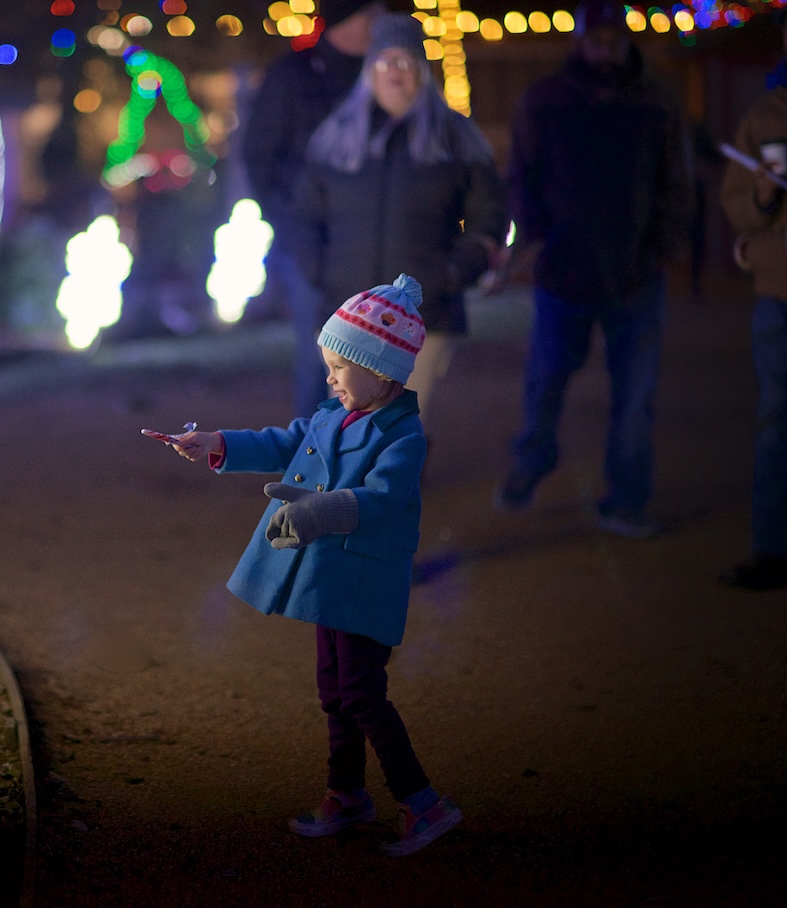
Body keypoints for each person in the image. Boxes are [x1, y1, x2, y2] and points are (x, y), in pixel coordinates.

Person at [157, 274, 462, 856]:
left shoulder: (404, 438)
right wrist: (217, 442)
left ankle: (424, 803)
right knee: (336, 690)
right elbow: (284, 442)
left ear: (381, 371)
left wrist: (320, 513)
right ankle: (346, 793)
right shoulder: (334, 414)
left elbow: (380, 499)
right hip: (331, 580)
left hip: (364, 583)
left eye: (339, 368)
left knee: (363, 693)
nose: (329, 378)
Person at [494, 0, 693, 538]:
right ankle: (533, 460)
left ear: (625, 41)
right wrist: (537, 236)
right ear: (580, 40)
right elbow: (522, 176)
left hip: (636, 274)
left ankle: (625, 501)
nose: (604, 49)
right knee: (547, 380)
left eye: (613, 38)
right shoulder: (547, 100)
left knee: (635, 397)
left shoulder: (655, 100)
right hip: (564, 271)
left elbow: (676, 176)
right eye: (595, 39)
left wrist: (663, 246)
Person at [293, 12, 507, 430]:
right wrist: (317, 270)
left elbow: (490, 216)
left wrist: (451, 273)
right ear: (369, 69)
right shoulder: (335, 137)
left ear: (423, 71)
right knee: (345, 434)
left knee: (395, 432)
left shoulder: (455, 138)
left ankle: (395, 492)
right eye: (385, 61)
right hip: (347, 316)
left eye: (407, 61)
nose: (396, 72)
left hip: (420, 317)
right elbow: (303, 216)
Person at [718, 0, 787, 591]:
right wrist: (761, 198)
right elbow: (735, 203)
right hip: (783, 295)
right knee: (776, 425)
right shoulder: (766, 114)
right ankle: (772, 552)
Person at [242, 0, 387, 418]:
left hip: (371, 238)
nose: (379, 24)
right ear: (347, 18)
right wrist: (288, 219)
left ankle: (360, 459)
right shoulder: (292, 76)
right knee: (324, 356)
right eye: (371, 15)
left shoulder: (383, 75)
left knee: (375, 358)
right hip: (310, 241)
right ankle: (312, 464)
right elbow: (259, 156)